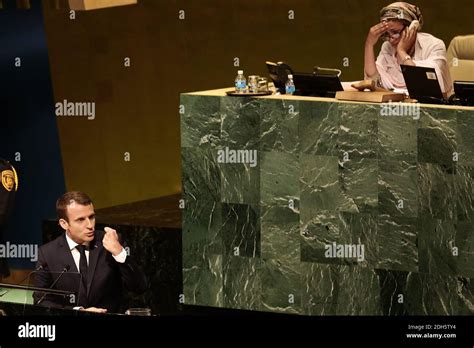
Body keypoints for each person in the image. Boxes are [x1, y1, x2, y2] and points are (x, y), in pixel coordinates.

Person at [33, 191, 148, 313]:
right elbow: (41, 301)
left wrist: (119, 253)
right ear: (64, 223)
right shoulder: (48, 253)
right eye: (80, 220)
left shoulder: (111, 242)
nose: (90, 225)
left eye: (91, 217)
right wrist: (78, 311)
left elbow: (139, 287)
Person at [364, 2, 453, 96]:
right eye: (386, 34)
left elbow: (425, 86)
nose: (390, 39)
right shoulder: (388, 47)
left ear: (412, 28)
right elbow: (373, 80)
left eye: (395, 32)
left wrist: (402, 52)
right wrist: (369, 45)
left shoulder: (434, 45)